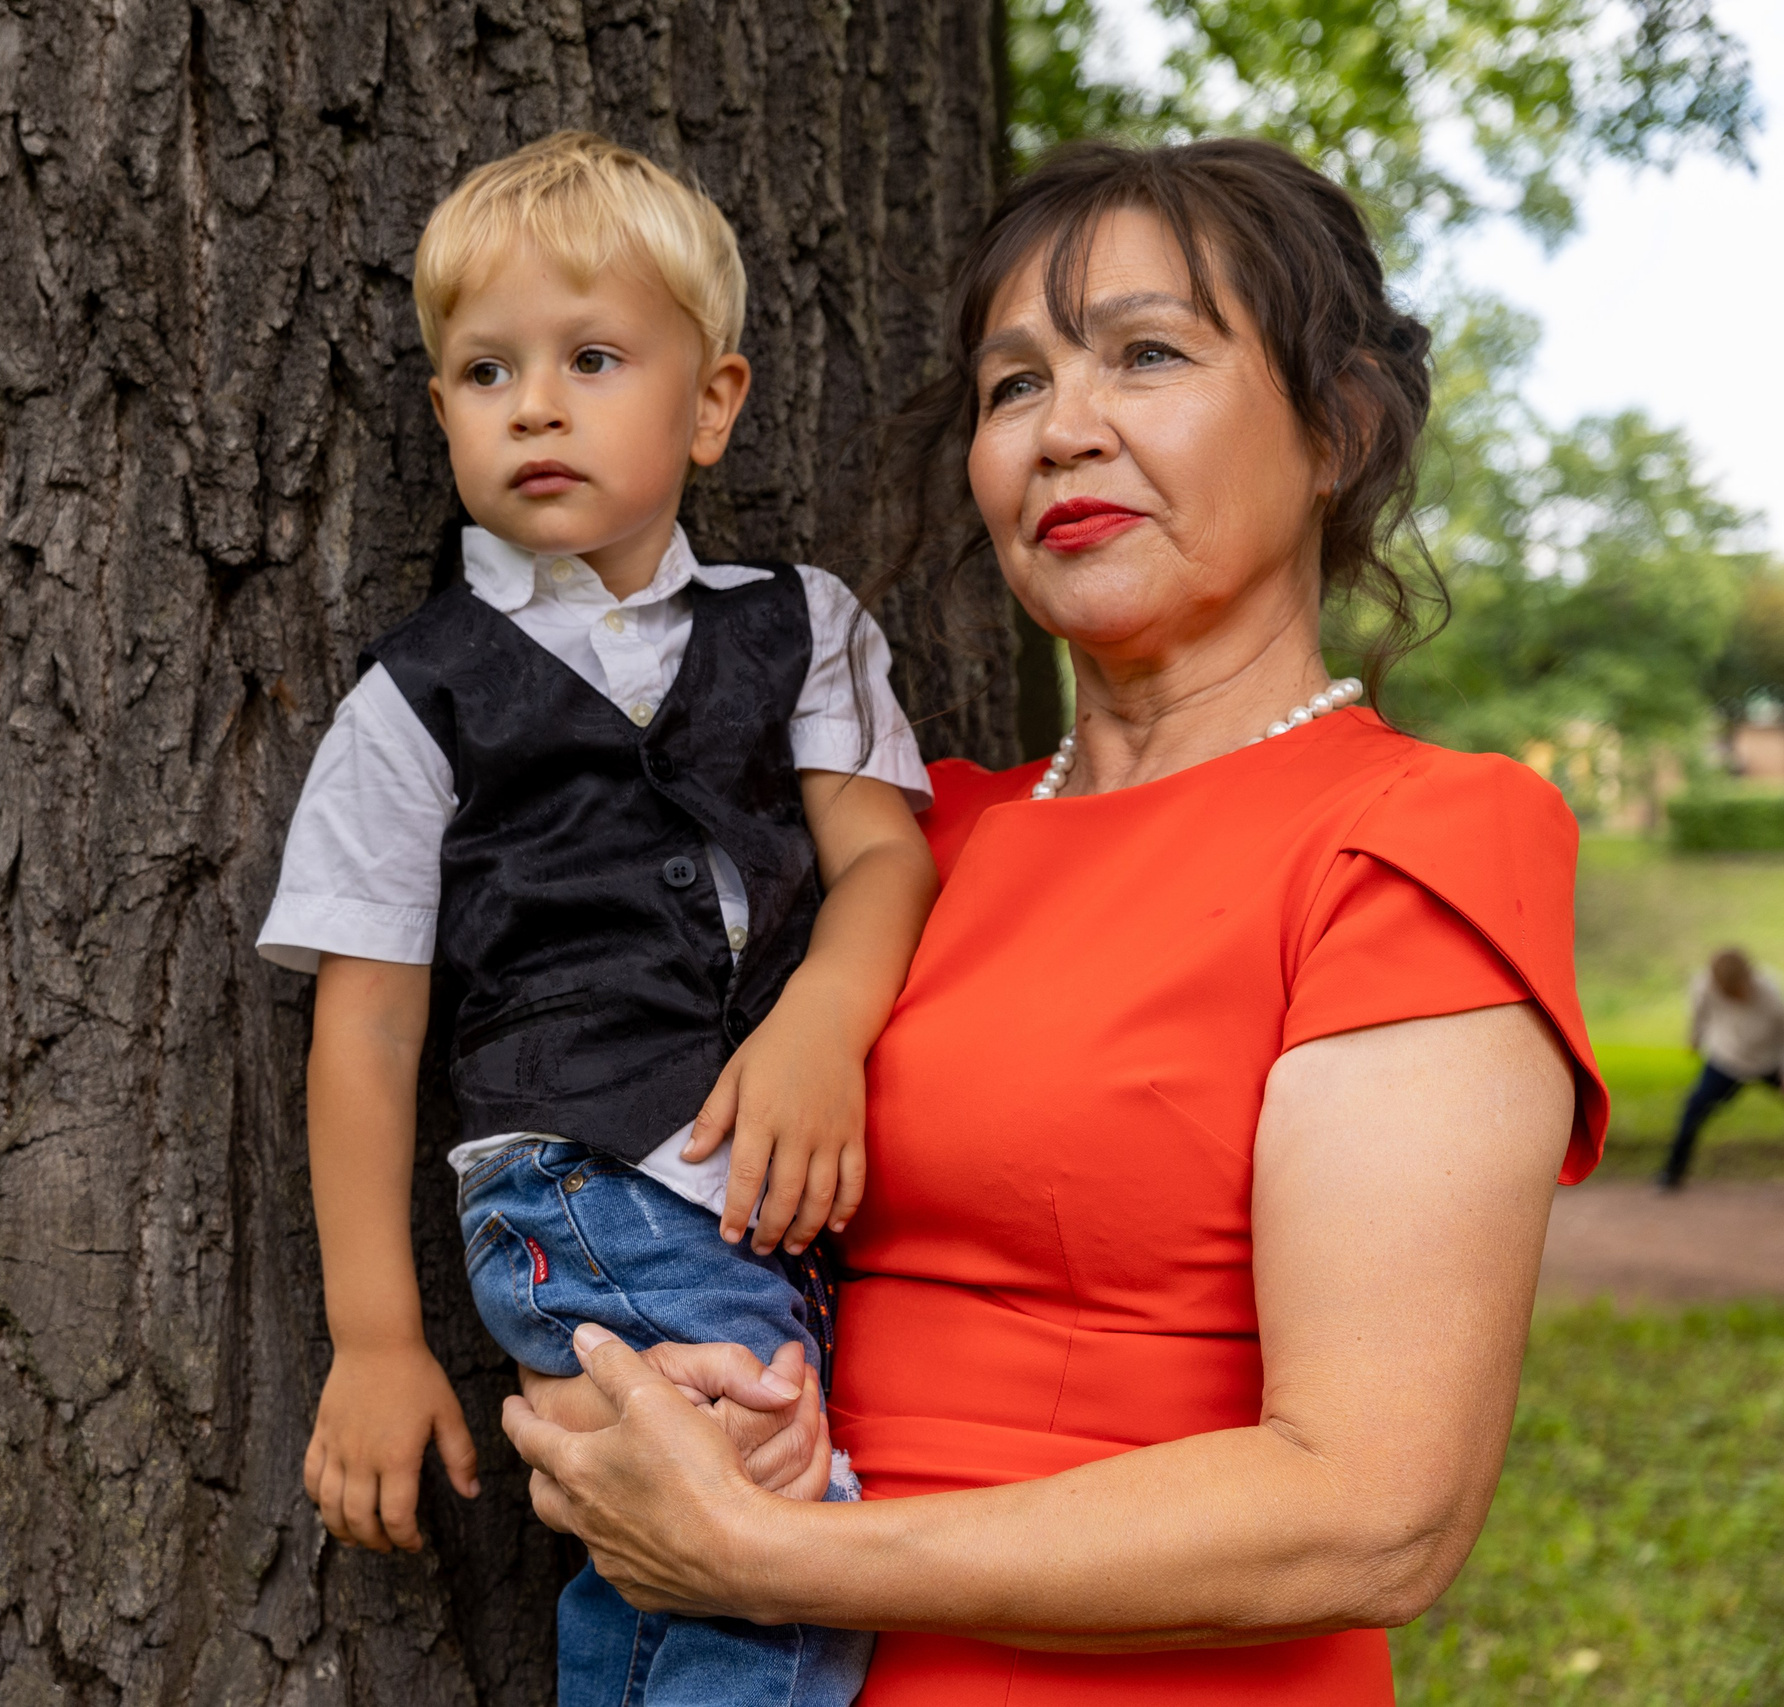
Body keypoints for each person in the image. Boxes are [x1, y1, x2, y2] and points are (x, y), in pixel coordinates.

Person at [499, 137, 1611, 1705]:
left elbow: (1372, 1510)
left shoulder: (1415, 835)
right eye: (1014, 386)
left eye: (1149, 354)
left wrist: (766, 1553)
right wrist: (683, 1400)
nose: (1063, 431)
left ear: (1338, 427)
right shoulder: (914, 836)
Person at [255, 131, 937, 1705]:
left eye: (595, 356)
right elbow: (364, 1018)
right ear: (444, 416)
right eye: (487, 371)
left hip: (764, 1191)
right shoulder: (414, 696)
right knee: (765, 1542)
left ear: (713, 404)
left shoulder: (803, 623)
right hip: (582, 1190)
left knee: (672, 1569)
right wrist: (376, 1335)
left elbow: (883, 857)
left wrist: (824, 1018)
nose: (537, 402)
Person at [1656, 946, 1784, 1189]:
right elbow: (1699, 1012)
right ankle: (1672, 1172)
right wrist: (1695, 1037)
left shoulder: (1771, 992)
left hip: (1770, 1061)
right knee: (1693, 1110)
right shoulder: (1704, 984)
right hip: (1728, 1058)